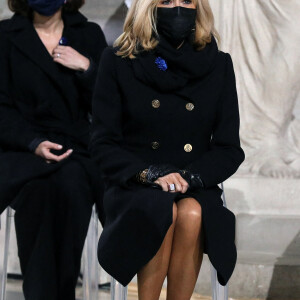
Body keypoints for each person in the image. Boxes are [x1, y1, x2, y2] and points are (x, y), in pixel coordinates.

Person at [90, 0, 245, 299]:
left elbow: (228, 148)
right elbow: (102, 141)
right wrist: (147, 173)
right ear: (147, 7)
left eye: (186, 1)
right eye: (166, 1)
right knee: (164, 211)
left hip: (194, 181)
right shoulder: (119, 60)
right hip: (134, 180)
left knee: (191, 213)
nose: (177, 8)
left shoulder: (219, 64)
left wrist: (192, 176)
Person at [0, 0, 107, 299]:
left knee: (71, 185)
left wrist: (86, 67)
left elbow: (109, 103)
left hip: (75, 149)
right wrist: (33, 144)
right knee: (40, 190)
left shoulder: (89, 34)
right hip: (21, 149)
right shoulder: (5, 35)